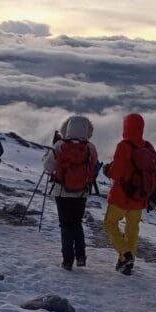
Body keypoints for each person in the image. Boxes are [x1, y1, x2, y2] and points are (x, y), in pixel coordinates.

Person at [102, 113, 156, 275]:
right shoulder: (148, 147)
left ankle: (125, 254)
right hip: (139, 198)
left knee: (110, 223)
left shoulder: (124, 146)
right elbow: (154, 174)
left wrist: (107, 170)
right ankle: (127, 262)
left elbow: (116, 173)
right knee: (132, 229)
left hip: (121, 196)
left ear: (126, 127)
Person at [43, 115, 98, 269]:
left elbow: (48, 168)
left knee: (65, 225)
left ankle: (67, 261)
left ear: (67, 128)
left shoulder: (59, 146)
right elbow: (93, 168)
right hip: (81, 192)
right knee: (77, 223)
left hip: (62, 191)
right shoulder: (90, 148)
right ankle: (81, 256)